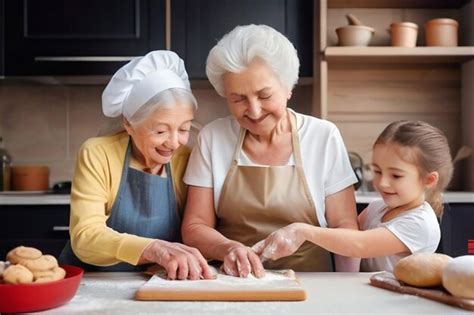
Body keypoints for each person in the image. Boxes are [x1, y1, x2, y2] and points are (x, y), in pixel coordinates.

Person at [181, 24, 359, 277]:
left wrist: (347, 290)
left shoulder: (323, 137)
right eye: (238, 99)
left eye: (264, 96)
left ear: (288, 87)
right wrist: (227, 248)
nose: (254, 111)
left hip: (314, 286)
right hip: (234, 283)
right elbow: (195, 226)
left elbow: (346, 228)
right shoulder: (213, 138)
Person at [59, 51, 213, 280]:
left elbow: (199, 227)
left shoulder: (188, 159)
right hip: (94, 282)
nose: (173, 143)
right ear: (129, 124)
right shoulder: (98, 153)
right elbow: (85, 236)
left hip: (160, 282)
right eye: (160, 131)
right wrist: (153, 249)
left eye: (183, 129)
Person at [254, 120, 453, 272]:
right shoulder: (377, 208)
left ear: (429, 180)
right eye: (376, 171)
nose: (383, 183)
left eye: (396, 175)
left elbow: (357, 245)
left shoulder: (420, 224)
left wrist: (302, 231)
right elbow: (342, 236)